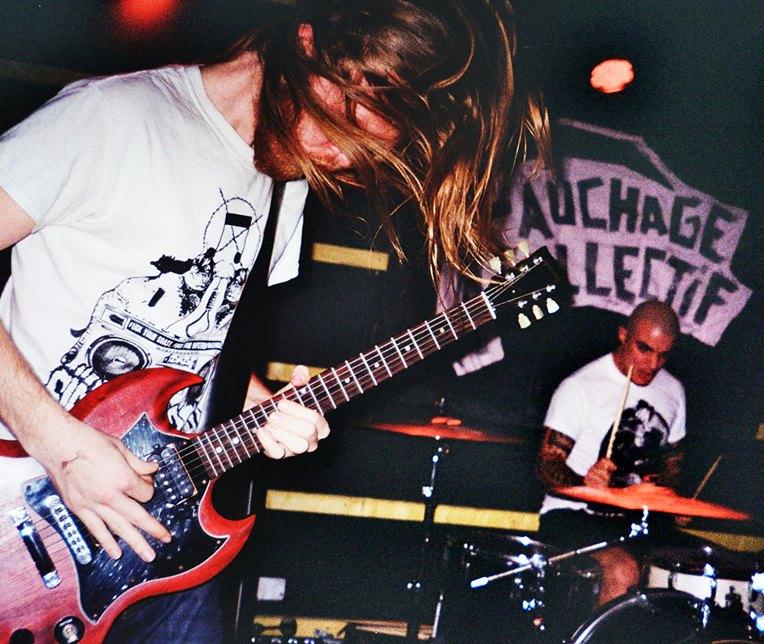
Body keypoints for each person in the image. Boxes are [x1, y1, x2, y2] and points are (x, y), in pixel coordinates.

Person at [0, 0, 548, 641]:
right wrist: (61, 447)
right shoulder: (112, 119)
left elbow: (203, 348)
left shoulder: (286, 183)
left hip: (162, 548)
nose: (341, 162)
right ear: (307, 43)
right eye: (340, 132)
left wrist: (264, 409)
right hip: (24, 516)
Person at [536, 300, 685, 607]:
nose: (653, 364)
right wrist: (584, 483)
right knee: (623, 569)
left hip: (638, 523)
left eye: (663, 355)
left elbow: (673, 465)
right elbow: (547, 465)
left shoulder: (673, 391)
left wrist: (672, 497)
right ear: (622, 334)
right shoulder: (580, 387)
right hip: (573, 517)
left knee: (696, 566)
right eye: (644, 349)